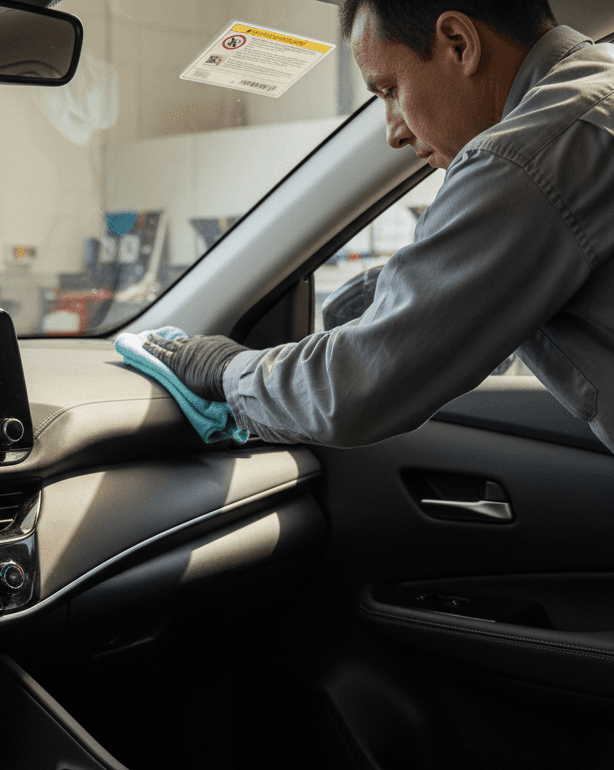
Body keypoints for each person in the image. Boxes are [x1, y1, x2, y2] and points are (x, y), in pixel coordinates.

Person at [143, 2, 614, 452]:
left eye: (389, 90)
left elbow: (352, 390)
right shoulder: (591, 95)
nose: (393, 131)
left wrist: (225, 369)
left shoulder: (528, 154)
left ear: (458, 42)